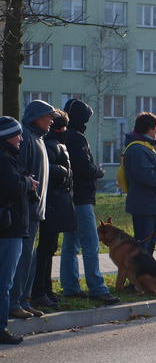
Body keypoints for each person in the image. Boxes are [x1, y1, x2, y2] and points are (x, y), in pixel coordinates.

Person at [61, 99, 118, 304]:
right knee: (90, 244)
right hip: (82, 197)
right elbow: (84, 168)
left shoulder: (64, 135)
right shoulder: (77, 138)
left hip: (68, 197)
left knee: (70, 245)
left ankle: (70, 287)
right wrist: (98, 171)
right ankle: (97, 287)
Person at [9, 100, 56, 319]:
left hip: (36, 211)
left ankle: (24, 300)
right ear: (36, 117)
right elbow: (20, 171)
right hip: (26, 210)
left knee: (31, 258)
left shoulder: (39, 138)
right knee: (23, 258)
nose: (51, 121)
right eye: (48, 116)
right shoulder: (26, 137)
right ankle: (15, 302)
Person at [31, 111, 76, 310]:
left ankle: (46, 289)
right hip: (52, 204)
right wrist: (63, 171)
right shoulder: (50, 144)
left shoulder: (54, 143)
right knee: (45, 250)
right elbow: (44, 170)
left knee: (49, 249)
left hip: (56, 204)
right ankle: (39, 291)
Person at [0, 117, 38, 344]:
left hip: (9, 227)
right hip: (9, 228)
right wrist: (28, 183)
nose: (21, 139)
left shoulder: (9, 159)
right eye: (17, 135)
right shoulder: (4, 161)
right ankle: (1, 328)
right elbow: (12, 186)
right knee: (5, 282)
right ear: (6, 137)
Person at [123, 112, 156, 255]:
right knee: (143, 248)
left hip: (151, 204)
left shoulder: (145, 147)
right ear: (149, 128)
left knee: (148, 247)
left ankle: (144, 269)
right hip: (144, 205)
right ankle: (139, 270)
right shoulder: (138, 150)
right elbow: (148, 177)